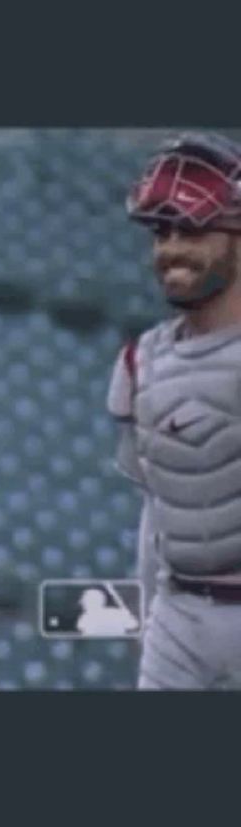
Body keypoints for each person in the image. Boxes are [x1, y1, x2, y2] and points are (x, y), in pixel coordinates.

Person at [107, 131, 241, 689]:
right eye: (162, 232)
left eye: (191, 229)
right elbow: (153, 512)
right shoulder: (141, 362)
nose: (170, 250)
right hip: (179, 613)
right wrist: (148, 619)